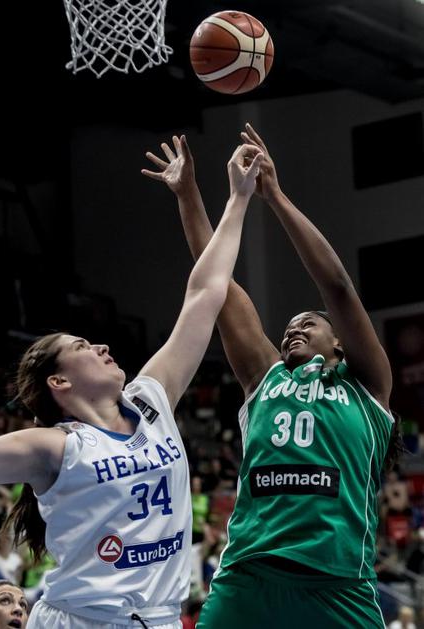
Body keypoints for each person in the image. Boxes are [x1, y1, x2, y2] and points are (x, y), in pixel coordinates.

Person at [0, 136, 264, 629]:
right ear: (59, 381)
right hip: (80, 620)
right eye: (82, 346)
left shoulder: (150, 400)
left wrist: (237, 198)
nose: (101, 346)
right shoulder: (54, 447)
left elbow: (206, 292)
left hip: (159, 619)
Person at [143, 124, 401, 628]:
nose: (293, 329)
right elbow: (217, 286)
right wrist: (188, 196)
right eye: (287, 328)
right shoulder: (265, 378)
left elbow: (337, 286)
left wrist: (275, 197)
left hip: (338, 585)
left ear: (340, 343)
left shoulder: (368, 387)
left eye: (308, 324)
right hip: (249, 577)